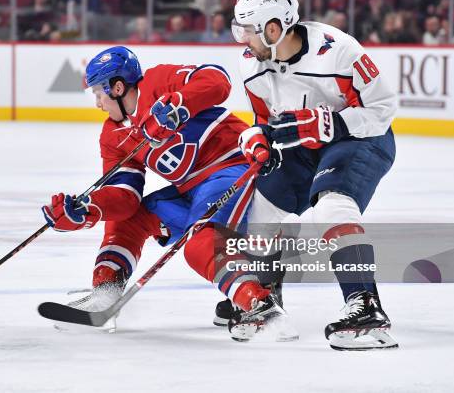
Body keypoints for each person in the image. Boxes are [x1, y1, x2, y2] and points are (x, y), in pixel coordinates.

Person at [41, 46, 293, 342]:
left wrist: (179, 105)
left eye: (99, 92)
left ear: (118, 87)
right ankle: (105, 293)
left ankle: (261, 307)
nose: (97, 102)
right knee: (130, 220)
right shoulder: (112, 135)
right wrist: (88, 210)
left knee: (200, 242)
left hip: (232, 168)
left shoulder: (158, 82)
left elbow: (217, 80)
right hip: (191, 191)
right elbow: (124, 196)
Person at [225, 0, 398, 349]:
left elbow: (382, 109)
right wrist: (258, 137)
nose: (243, 40)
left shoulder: (338, 51)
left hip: (359, 139)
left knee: (331, 207)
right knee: (261, 210)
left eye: (249, 31)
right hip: (303, 147)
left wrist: (333, 124)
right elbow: (265, 122)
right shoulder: (250, 65)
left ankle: (366, 308)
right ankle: (265, 302)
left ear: (274, 28)